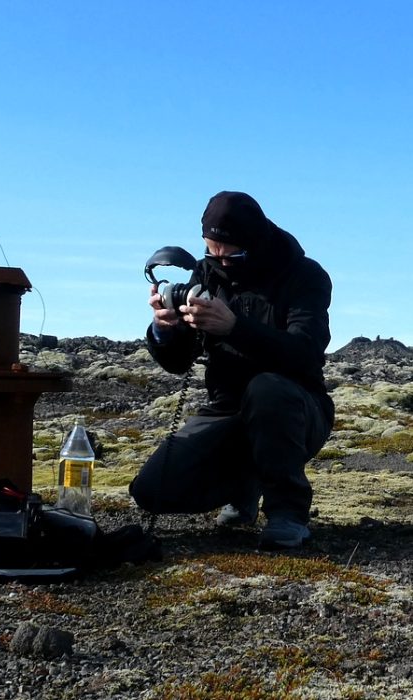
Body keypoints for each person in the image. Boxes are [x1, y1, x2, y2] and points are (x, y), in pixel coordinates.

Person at [129, 191, 334, 549]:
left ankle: (288, 512)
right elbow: (178, 364)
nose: (221, 262)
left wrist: (234, 327)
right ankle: (245, 484)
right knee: (151, 491)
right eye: (212, 251)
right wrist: (166, 329)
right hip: (228, 410)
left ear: (256, 243)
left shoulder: (304, 276)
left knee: (266, 389)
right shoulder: (206, 273)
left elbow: (305, 351)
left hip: (297, 410)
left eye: (232, 254)